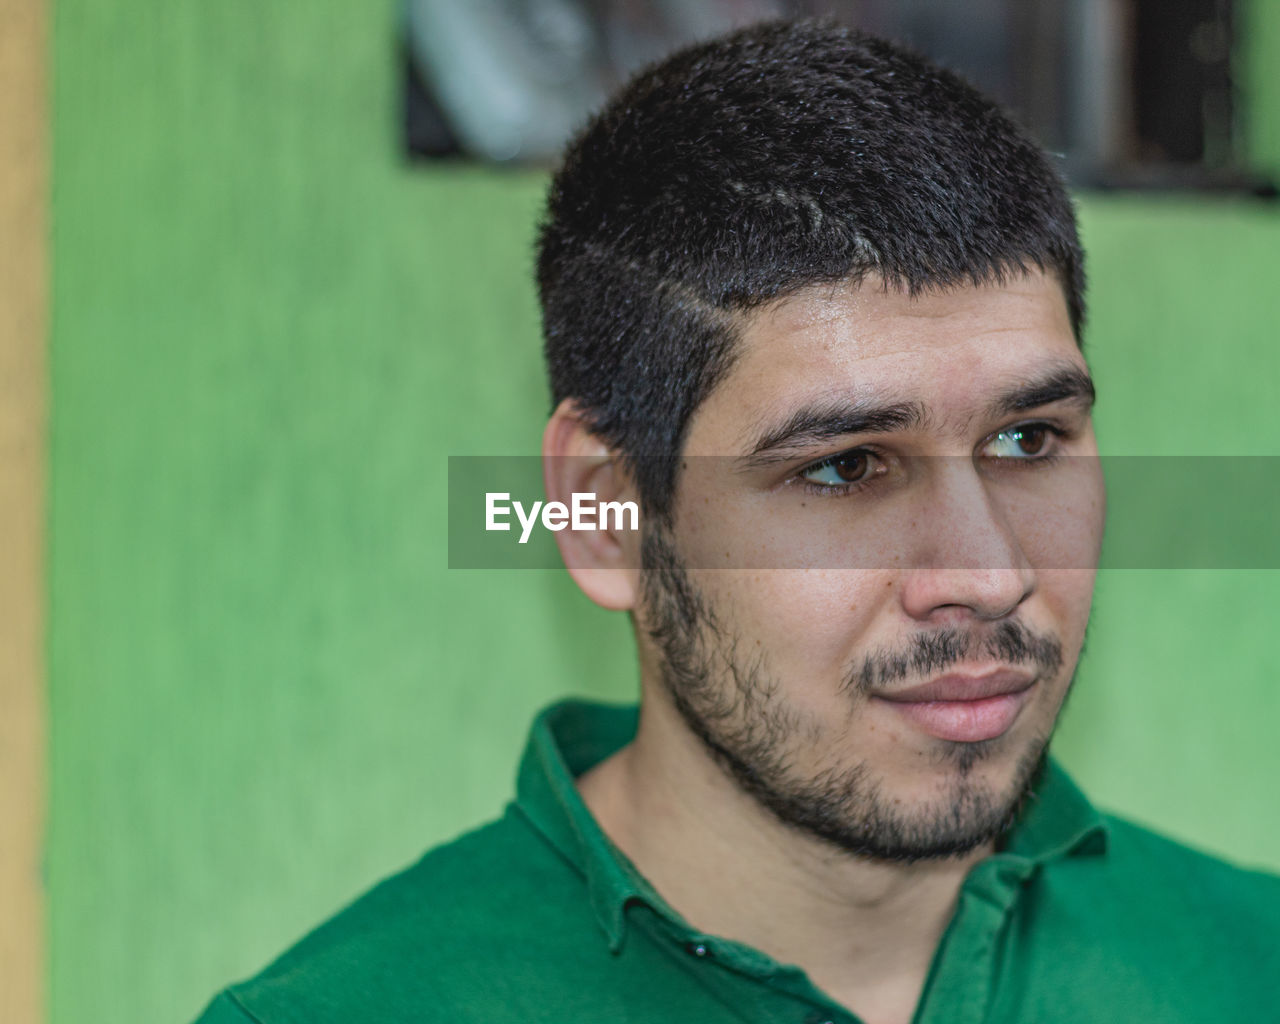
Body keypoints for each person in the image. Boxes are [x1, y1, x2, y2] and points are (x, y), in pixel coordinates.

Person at [194, 19, 1280, 1024]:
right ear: (607, 512)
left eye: (1024, 441)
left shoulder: (1246, 964)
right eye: (848, 466)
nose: (985, 574)